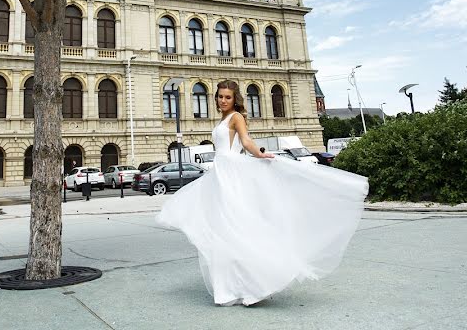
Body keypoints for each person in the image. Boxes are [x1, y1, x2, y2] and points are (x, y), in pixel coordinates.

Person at [156, 80, 369, 306]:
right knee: (223, 230)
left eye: (227, 97)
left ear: (234, 98)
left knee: (233, 227)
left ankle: (250, 284)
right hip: (220, 172)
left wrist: (259, 153)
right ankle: (231, 286)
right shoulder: (223, 118)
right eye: (220, 97)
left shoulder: (236, 117)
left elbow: (246, 140)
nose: (222, 100)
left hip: (229, 171)